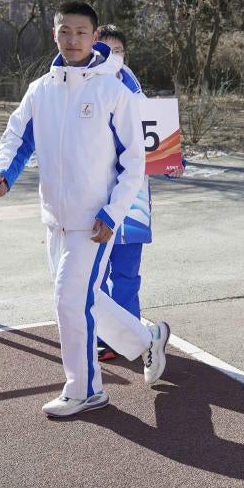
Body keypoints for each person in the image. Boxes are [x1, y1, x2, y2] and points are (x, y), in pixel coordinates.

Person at [0, 1, 171, 418]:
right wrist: (2, 173)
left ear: (94, 37)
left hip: (94, 222)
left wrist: (112, 213)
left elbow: (133, 162)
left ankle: (85, 389)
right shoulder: (41, 90)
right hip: (55, 217)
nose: (73, 40)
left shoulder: (113, 91)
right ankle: (147, 339)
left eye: (81, 32)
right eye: (65, 31)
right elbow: (18, 137)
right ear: (55, 34)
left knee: (69, 302)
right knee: (81, 299)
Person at [94, 24, 184, 362]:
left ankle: (130, 337)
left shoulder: (138, 96)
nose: (112, 58)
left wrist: (175, 162)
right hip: (95, 202)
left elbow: (159, 145)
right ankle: (101, 335)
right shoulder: (82, 94)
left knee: (127, 275)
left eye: (118, 51)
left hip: (132, 207)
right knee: (95, 276)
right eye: (105, 50)